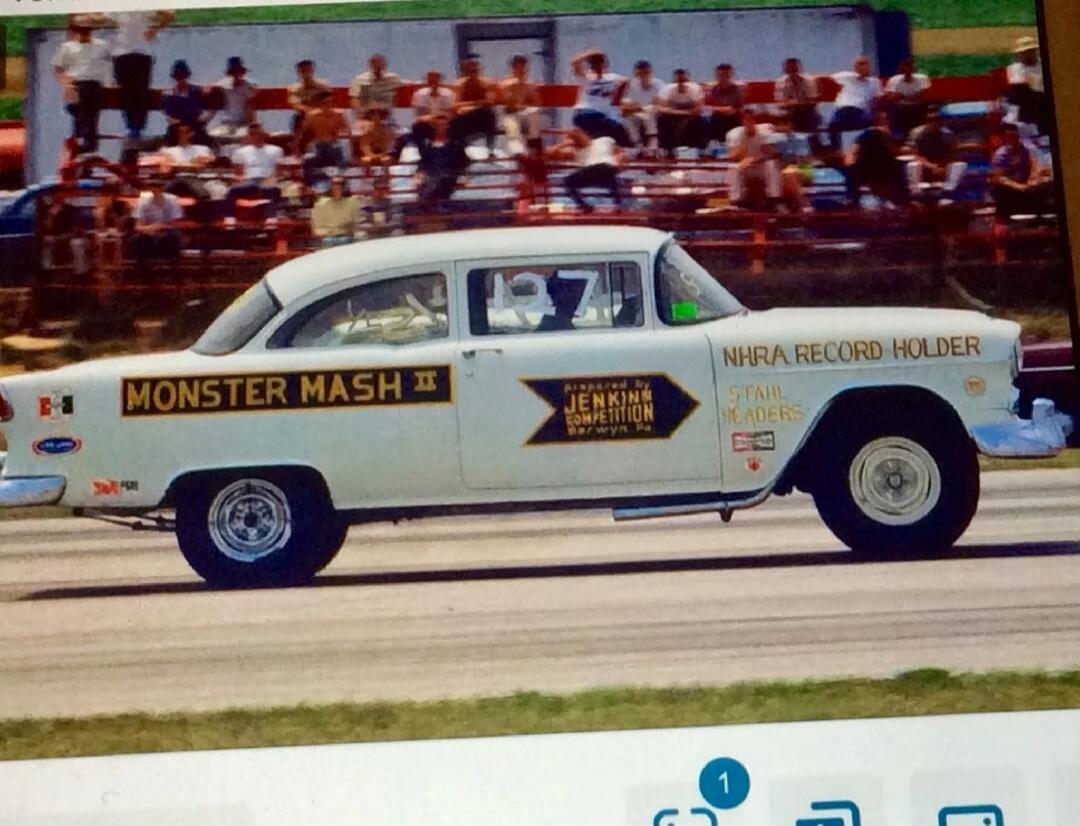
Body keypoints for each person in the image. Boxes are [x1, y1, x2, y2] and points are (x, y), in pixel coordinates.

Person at [103, 10, 175, 141]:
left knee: (140, 92)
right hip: (122, 52)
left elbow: (170, 14)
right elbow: (102, 17)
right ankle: (131, 127)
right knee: (125, 91)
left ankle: (137, 129)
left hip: (141, 52)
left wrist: (155, 29)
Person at [51, 16, 111, 155]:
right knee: (80, 109)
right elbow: (58, 67)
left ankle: (88, 143)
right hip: (76, 83)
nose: (84, 33)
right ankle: (83, 141)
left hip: (94, 84)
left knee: (90, 113)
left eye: (87, 29)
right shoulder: (67, 47)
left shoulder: (102, 45)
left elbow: (112, 63)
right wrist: (66, 84)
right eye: (81, 29)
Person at [845, 107, 908, 207]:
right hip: (870, 191)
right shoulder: (868, 135)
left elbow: (896, 151)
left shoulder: (892, 162)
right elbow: (850, 157)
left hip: (885, 190)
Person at [553, 127, 624, 214]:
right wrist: (564, 144)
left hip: (605, 168)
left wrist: (619, 160)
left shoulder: (604, 141)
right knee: (568, 182)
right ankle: (617, 205)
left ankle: (617, 205)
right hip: (595, 170)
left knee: (611, 177)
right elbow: (550, 153)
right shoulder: (575, 151)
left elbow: (621, 151)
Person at [990, 122, 1052, 220]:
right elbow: (999, 178)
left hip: (1031, 184)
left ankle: (1043, 218)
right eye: (1007, 137)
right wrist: (1019, 187)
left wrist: (1033, 180)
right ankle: (1003, 221)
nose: (1011, 140)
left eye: (1014, 136)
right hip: (1013, 188)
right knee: (999, 189)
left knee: (1047, 182)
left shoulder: (1029, 148)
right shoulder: (1000, 155)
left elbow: (1036, 164)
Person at [570, 48, 630, 145]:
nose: (597, 66)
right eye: (595, 64)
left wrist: (617, 100)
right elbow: (574, 62)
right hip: (586, 113)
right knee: (619, 133)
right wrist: (589, 53)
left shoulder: (613, 77)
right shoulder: (586, 77)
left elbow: (626, 82)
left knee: (618, 132)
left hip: (600, 115)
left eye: (599, 63)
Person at [725, 109, 782, 209]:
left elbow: (772, 154)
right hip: (745, 166)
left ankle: (774, 200)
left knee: (772, 164)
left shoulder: (765, 131)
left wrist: (757, 158)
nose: (748, 122)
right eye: (745, 120)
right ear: (742, 121)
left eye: (751, 119)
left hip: (760, 165)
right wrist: (745, 139)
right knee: (733, 168)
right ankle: (736, 202)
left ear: (755, 120)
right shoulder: (734, 134)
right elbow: (732, 156)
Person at [226, 123, 284, 219]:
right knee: (232, 190)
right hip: (249, 179)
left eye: (258, 133)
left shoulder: (276, 150)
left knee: (275, 190)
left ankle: (271, 218)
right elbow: (239, 172)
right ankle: (230, 218)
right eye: (253, 133)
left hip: (268, 179)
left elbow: (279, 170)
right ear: (249, 135)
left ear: (264, 134)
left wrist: (274, 179)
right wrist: (240, 180)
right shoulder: (241, 152)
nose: (256, 136)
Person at [906, 107, 968, 197]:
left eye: (936, 121)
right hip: (927, 166)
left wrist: (942, 167)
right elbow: (918, 156)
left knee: (960, 165)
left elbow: (953, 155)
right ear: (926, 123)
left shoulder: (948, 136)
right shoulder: (921, 135)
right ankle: (916, 190)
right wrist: (932, 167)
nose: (933, 123)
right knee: (912, 165)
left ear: (940, 123)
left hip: (944, 166)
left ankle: (949, 189)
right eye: (930, 121)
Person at [414, 114, 471, 209]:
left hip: (449, 175)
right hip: (430, 175)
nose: (442, 127)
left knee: (440, 182)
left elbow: (463, 162)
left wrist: (463, 175)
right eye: (439, 125)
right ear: (434, 126)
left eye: (444, 125)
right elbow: (424, 162)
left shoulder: (456, 143)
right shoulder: (427, 144)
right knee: (427, 183)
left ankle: (427, 204)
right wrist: (420, 173)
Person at [828, 55, 882, 149]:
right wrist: (837, 88)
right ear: (855, 67)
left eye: (864, 64)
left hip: (860, 110)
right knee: (834, 123)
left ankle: (863, 150)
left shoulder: (874, 82)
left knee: (868, 126)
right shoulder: (846, 76)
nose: (862, 67)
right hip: (842, 109)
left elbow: (877, 100)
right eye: (859, 64)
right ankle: (836, 150)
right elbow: (829, 79)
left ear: (869, 66)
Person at [450, 55, 499, 153]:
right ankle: (460, 153)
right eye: (469, 70)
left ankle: (490, 150)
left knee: (489, 113)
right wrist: (475, 104)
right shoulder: (458, 85)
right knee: (455, 120)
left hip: (482, 116)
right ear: (464, 71)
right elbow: (454, 104)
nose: (472, 73)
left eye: (475, 70)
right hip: (465, 117)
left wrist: (472, 106)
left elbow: (490, 101)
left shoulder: (487, 83)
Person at [350, 54, 402, 145]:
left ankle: (390, 155)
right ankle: (360, 156)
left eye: (379, 63)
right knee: (358, 133)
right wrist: (362, 114)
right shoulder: (360, 79)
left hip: (386, 116)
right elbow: (354, 99)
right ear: (370, 65)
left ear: (385, 64)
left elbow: (399, 93)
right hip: (366, 116)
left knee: (396, 134)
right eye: (374, 63)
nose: (377, 66)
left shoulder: (393, 79)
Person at [656, 68, 706, 158]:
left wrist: (674, 111)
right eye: (678, 81)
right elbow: (661, 109)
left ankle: (697, 150)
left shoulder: (695, 89)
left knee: (699, 120)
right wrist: (683, 112)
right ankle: (665, 149)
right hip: (674, 116)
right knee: (661, 119)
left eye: (684, 81)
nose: (681, 84)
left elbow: (698, 109)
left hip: (689, 117)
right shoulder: (667, 89)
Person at [132, 179, 183, 264]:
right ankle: (143, 270)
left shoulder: (172, 201)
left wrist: (161, 226)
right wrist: (150, 228)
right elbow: (137, 226)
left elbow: (176, 224)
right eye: (153, 187)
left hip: (167, 231)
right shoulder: (144, 202)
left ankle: (173, 268)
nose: (155, 189)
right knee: (141, 240)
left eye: (158, 187)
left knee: (174, 237)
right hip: (148, 232)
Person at [301, 88, 348, 181]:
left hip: (333, 143)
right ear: (319, 104)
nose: (327, 105)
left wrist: (336, 136)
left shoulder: (339, 115)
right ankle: (310, 184)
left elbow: (345, 131)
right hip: (316, 143)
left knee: (339, 151)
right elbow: (305, 133)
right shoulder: (311, 116)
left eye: (330, 103)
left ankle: (341, 180)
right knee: (308, 158)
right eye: (324, 103)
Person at [1006, 36, 1048, 137]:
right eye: (1024, 52)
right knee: (1021, 92)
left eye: (1030, 51)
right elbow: (1019, 87)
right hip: (1027, 101)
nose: (1028, 55)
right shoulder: (1015, 68)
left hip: (1042, 100)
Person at [161, 59, 210, 146]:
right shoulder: (169, 94)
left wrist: (201, 118)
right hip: (178, 126)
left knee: (201, 134)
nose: (181, 80)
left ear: (187, 77)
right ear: (175, 78)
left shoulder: (196, 91)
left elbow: (202, 110)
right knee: (172, 133)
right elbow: (169, 114)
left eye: (183, 76)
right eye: (178, 77)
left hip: (194, 124)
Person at [209, 56, 258, 144]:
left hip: (243, 124)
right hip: (228, 123)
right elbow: (210, 87)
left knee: (244, 136)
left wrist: (253, 124)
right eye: (234, 72)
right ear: (230, 73)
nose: (237, 75)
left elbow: (252, 105)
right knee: (214, 136)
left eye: (240, 71)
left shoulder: (249, 86)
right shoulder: (224, 84)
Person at [500, 54, 542, 151]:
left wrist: (527, 105)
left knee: (533, 114)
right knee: (512, 125)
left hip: (526, 113)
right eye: (518, 67)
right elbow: (504, 102)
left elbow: (537, 103)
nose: (521, 70)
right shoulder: (505, 84)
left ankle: (534, 146)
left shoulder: (531, 84)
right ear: (513, 68)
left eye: (523, 67)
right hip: (510, 114)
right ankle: (518, 152)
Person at [288, 59, 332, 152]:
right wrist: (309, 111)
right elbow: (295, 104)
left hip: (322, 115)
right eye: (303, 71)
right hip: (304, 116)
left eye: (308, 70)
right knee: (297, 120)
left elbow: (328, 101)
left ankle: (327, 150)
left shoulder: (323, 86)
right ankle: (299, 151)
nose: (306, 74)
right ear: (298, 72)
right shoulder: (294, 88)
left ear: (313, 70)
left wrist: (316, 112)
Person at [620, 60, 660, 157]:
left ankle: (653, 145)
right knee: (627, 118)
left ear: (650, 72)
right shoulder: (630, 85)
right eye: (640, 73)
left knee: (649, 112)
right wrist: (640, 108)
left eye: (646, 72)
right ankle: (639, 146)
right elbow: (624, 106)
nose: (643, 76)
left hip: (653, 112)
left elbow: (660, 103)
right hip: (637, 112)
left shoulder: (658, 84)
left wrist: (642, 107)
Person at [884, 58, 931, 138]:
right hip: (900, 109)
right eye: (905, 68)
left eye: (910, 67)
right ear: (901, 69)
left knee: (918, 130)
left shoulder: (922, 78)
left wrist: (903, 96)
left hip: (917, 108)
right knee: (894, 112)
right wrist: (911, 96)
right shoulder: (894, 80)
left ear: (913, 69)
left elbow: (925, 96)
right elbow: (889, 97)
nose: (907, 70)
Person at [311, 175, 363, 246]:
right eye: (335, 184)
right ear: (330, 186)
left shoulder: (352, 202)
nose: (338, 186)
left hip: (347, 236)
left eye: (341, 184)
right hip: (329, 237)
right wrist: (332, 232)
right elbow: (317, 228)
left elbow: (356, 224)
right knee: (330, 241)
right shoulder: (321, 204)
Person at [774, 57, 819, 135]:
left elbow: (813, 101)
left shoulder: (808, 81)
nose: (792, 72)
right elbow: (780, 104)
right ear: (785, 70)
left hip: (807, 113)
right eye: (789, 69)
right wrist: (794, 103)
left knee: (810, 118)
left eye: (794, 69)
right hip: (790, 114)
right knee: (786, 120)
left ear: (800, 69)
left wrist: (795, 103)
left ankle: (813, 143)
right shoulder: (781, 83)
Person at [705, 63, 743, 147]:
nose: (723, 78)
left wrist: (721, 109)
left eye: (726, 75)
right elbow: (709, 108)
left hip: (733, 118)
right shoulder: (713, 90)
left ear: (731, 75)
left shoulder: (737, 90)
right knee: (710, 120)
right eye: (720, 75)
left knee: (732, 118)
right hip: (717, 118)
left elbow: (735, 108)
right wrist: (722, 109)